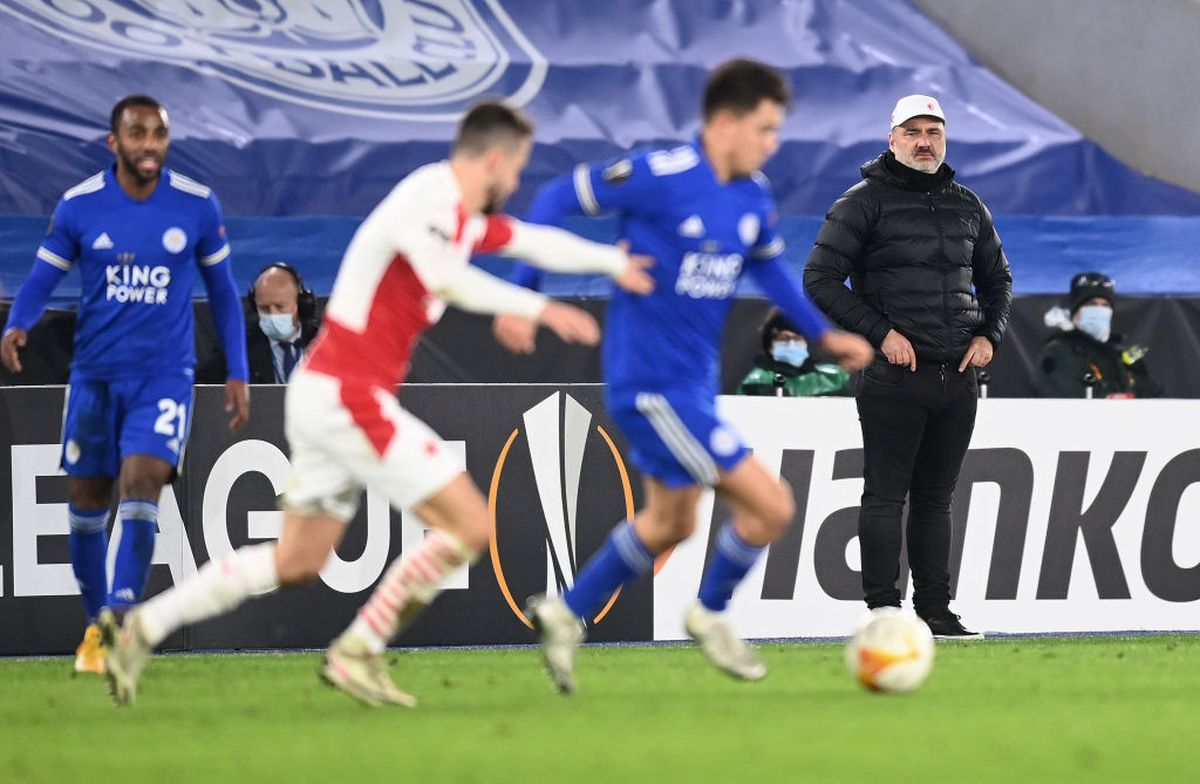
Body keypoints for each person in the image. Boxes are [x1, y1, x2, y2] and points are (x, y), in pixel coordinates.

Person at [99, 99, 656, 706]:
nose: (516, 183)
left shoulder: (459, 214)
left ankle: (140, 627)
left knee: (296, 561)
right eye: (516, 169)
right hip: (347, 395)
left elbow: (530, 241)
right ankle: (359, 650)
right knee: (470, 524)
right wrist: (536, 308)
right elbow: (447, 279)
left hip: (326, 392)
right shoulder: (429, 196)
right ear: (494, 159)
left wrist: (611, 262)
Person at [495, 59, 872, 694]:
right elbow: (555, 197)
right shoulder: (659, 176)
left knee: (672, 522)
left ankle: (566, 611)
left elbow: (772, 271)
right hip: (650, 383)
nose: (772, 144)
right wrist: (522, 297)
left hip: (690, 384)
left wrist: (823, 334)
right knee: (772, 506)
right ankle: (712, 612)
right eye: (764, 129)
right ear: (724, 122)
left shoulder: (753, 195)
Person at [0, 95, 249, 674]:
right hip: (93, 377)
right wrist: (17, 324)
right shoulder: (80, 206)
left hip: (163, 376)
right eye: (137, 134)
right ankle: (98, 629)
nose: (149, 146)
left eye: (158, 134)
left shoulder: (194, 204)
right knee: (87, 504)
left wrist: (237, 369)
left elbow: (224, 293)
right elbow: (42, 276)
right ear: (114, 143)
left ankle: (120, 616)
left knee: (143, 485)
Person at [803, 94, 1013, 639]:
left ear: (944, 139)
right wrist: (880, 334)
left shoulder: (968, 204)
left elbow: (999, 282)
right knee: (885, 494)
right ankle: (883, 613)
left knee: (936, 500)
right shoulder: (862, 202)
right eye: (913, 131)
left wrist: (989, 335)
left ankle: (937, 613)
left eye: (934, 132)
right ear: (891, 138)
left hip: (957, 376)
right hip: (894, 375)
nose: (925, 141)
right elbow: (819, 279)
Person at [1032, 271, 1163, 398]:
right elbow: (1064, 400)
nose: (1099, 310)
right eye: (1092, 304)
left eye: (1105, 305)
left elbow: (1157, 397)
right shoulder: (1058, 352)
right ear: (1075, 313)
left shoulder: (1120, 355)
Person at [737, 307, 851, 397]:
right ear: (770, 346)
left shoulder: (833, 377)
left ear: (806, 343)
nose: (791, 344)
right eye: (784, 339)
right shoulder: (756, 381)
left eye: (797, 339)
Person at [246, 262, 320, 384]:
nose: (273, 315)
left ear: (301, 304)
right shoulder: (237, 351)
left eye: (280, 306)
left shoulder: (326, 344)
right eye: (264, 308)